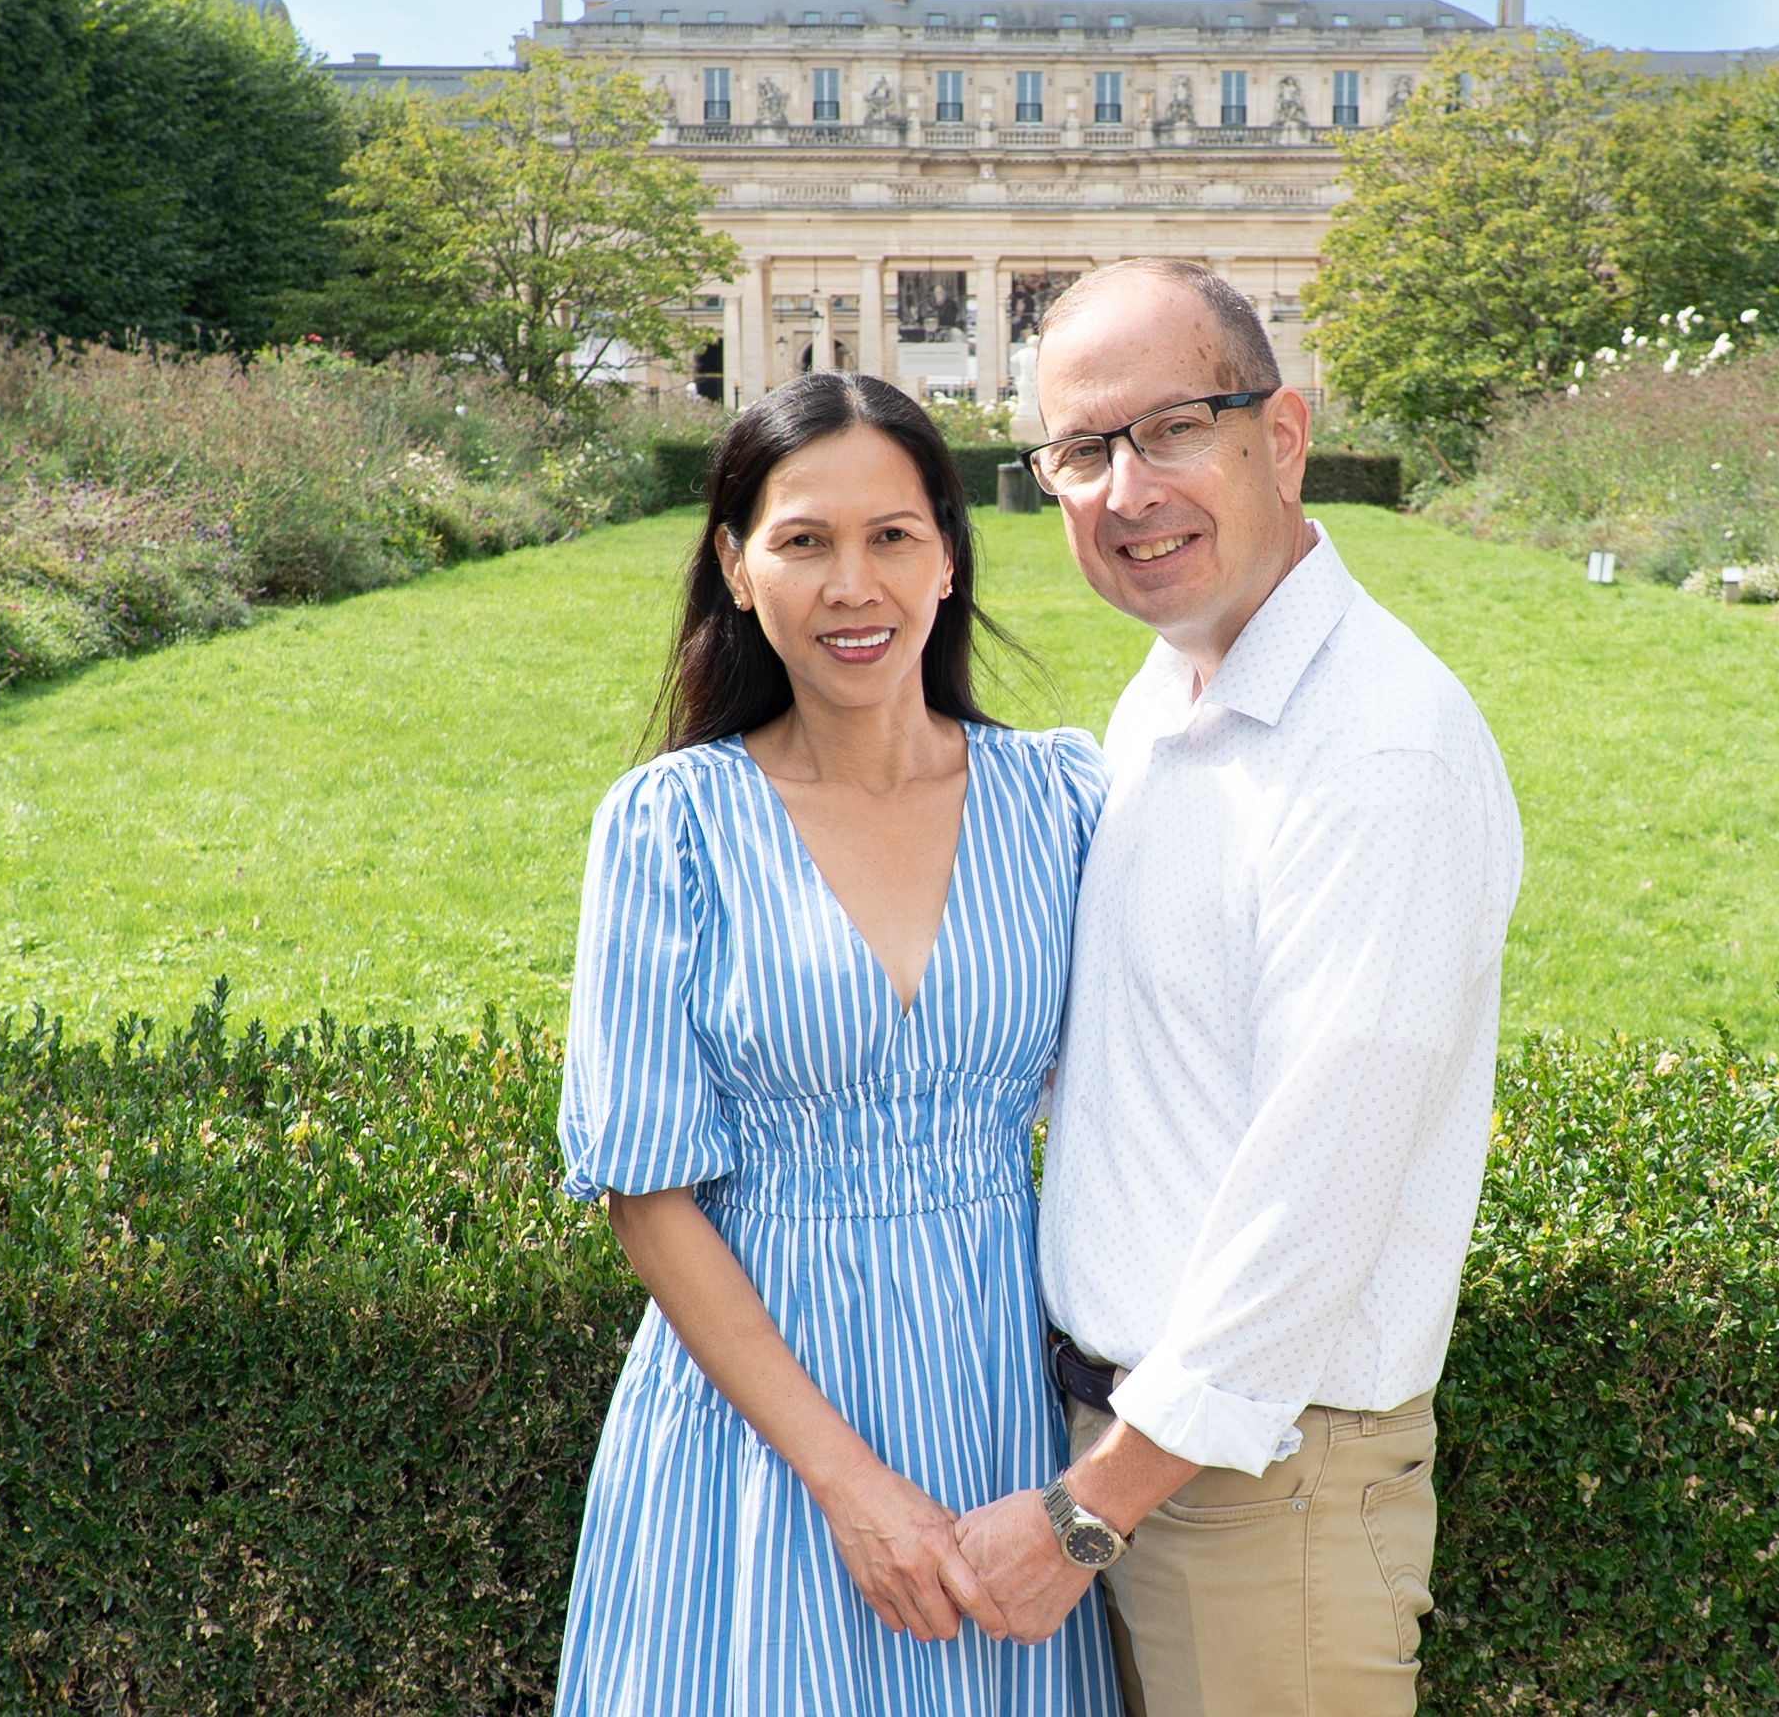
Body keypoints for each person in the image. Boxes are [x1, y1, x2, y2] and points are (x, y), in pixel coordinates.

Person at [954, 260, 1523, 1715]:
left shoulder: (1373, 753)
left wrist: (1093, 1510)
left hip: (1251, 1495)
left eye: (1171, 430)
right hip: (1146, 1462)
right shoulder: (1174, 691)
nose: (1125, 489)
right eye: (1082, 451)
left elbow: (1313, 1206)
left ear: (1280, 437)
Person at [552, 371, 1122, 1715]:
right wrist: (850, 1488)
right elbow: (645, 1189)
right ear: (736, 570)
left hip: (997, 1404)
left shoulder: (1066, 797)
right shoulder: (670, 823)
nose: (851, 584)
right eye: (804, 540)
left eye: (891, 536)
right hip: (759, 1438)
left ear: (947, 555)